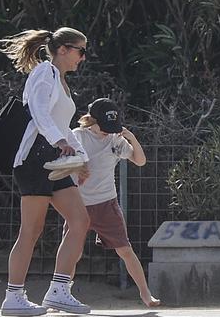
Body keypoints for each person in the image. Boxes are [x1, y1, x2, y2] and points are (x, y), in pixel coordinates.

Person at [0, 28, 92, 316]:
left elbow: (63, 125)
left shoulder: (61, 81)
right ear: (63, 49)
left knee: (80, 221)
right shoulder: (44, 72)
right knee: (31, 231)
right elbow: (38, 111)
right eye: (81, 50)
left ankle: (59, 291)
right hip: (34, 158)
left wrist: (81, 157)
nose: (83, 57)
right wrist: (59, 141)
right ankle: (13, 296)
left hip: (54, 159)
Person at [67, 98, 161, 307]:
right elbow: (63, 162)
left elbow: (140, 160)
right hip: (79, 204)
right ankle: (61, 293)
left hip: (106, 203)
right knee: (72, 252)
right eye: (105, 126)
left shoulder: (114, 139)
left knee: (125, 249)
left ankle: (145, 294)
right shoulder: (77, 136)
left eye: (113, 127)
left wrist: (132, 138)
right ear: (91, 120)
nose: (108, 131)